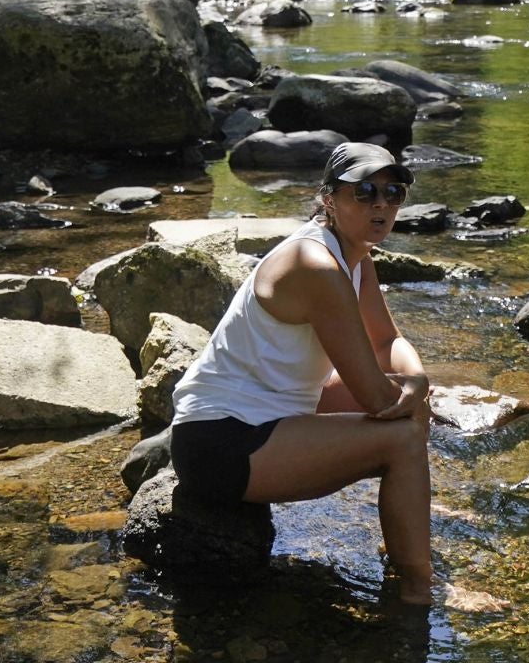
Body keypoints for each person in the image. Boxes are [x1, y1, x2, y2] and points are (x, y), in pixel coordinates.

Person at [169, 141, 434, 604]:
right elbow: (375, 398)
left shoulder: (356, 256)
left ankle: (410, 508)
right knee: (402, 438)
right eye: (365, 191)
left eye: (394, 193)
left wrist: (418, 382)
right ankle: (416, 587)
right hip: (222, 443)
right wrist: (409, 390)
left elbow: (386, 342)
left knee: (413, 410)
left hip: (271, 415)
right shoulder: (315, 265)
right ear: (330, 197)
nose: (381, 204)